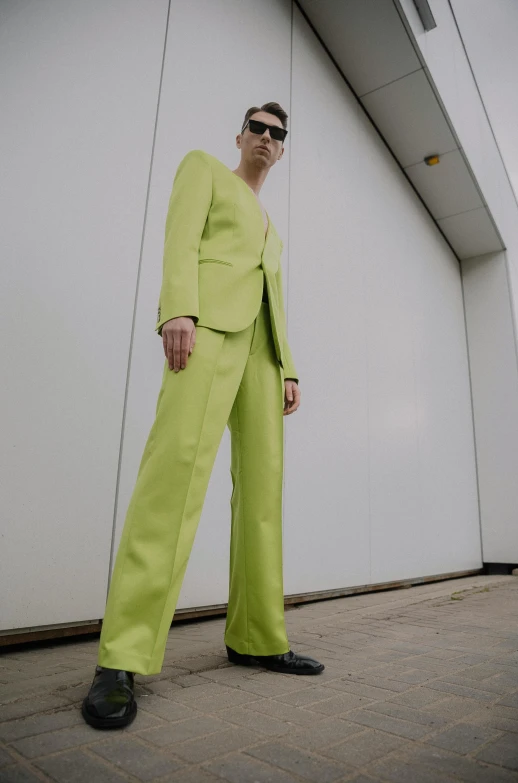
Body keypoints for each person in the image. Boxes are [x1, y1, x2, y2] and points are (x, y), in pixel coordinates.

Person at [82, 102, 324, 730]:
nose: (267, 139)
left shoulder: (273, 226)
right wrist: (177, 310)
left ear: (282, 147)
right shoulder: (205, 171)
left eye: (278, 134)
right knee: (174, 478)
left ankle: (257, 637)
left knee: (261, 501)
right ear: (240, 136)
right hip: (207, 331)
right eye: (258, 128)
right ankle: (121, 657)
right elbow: (180, 238)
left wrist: (289, 368)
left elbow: (276, 298)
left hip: (263, 360)